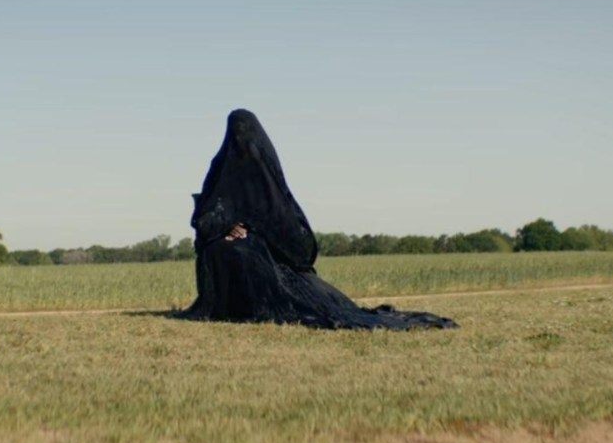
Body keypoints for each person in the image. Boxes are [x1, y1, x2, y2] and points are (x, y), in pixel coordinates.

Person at [176, 109, 458, 330]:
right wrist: (226, 227)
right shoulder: (220, 169)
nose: (241, 140)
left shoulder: (266, 173)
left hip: (266, 246)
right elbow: (204, 217)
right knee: (226, 250)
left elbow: (287, 229)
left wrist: (252, 228)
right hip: (223, 242)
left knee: (251, 253)